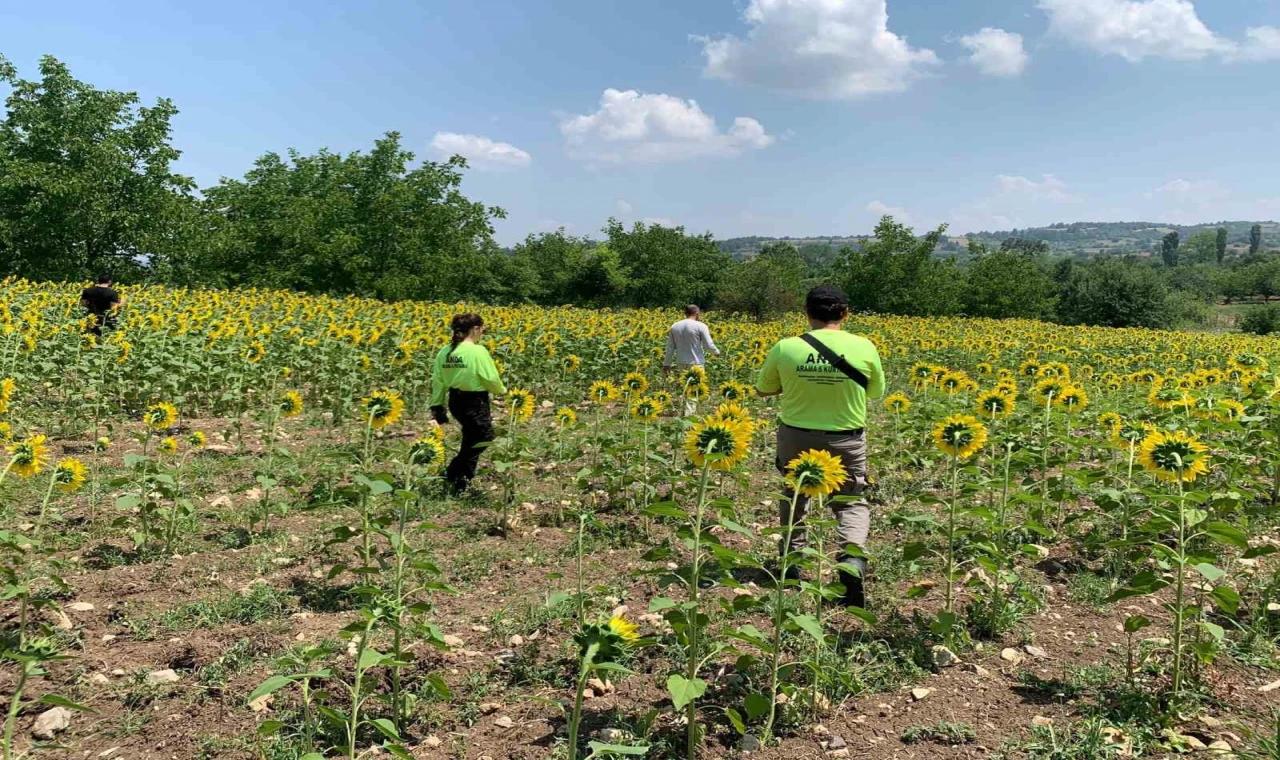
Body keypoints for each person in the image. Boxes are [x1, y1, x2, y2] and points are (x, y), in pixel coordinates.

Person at [755, 284, 885, 608]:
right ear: (845, 313)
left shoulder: (786, 347)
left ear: (807, 313)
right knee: (850, 500)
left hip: (797, 434)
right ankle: (852, 561)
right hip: (846, 436)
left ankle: (792, 565)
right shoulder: (864, 346)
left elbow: (763, 390)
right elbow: (875, 392)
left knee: (795, 494)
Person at [429, 313, 507, 495]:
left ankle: (460, 482)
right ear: (475, 329)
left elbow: (438, 381)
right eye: (482, 329)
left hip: (455, 401)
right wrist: (501, 391)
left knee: (471, 438)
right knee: (483, 437)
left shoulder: (445, 352)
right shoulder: (477, 351)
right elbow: (490, 377)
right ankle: (455, 475)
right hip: (475, 401)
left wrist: (437, 405)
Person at [663, 304, 720, 415]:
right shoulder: (700, 326)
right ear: (697, 313)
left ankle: (684, 411)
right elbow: (708, 344)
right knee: (694, 388)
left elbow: (670, 347)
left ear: (686, 313)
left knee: (685, 386)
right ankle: (689, 415)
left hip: (680, 361)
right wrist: (717, 352)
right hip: (696, 362)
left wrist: (666, 364)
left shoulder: (675, 326)